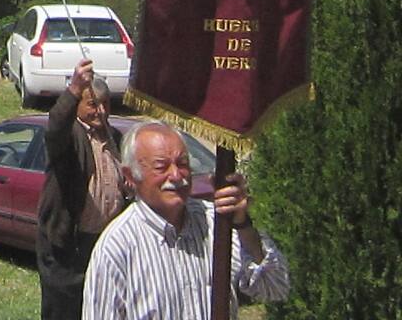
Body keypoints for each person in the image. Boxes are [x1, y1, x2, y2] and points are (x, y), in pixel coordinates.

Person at [82, 121, 291, 318]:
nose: (176, 175)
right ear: (130, 176)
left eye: (182, 164)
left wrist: (243, 224)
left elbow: (274, 287)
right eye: (161, 167)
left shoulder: (215, 224)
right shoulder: (117, 248)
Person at [37, 59, 125, 319]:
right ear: (77, 106)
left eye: (105, 104)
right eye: (93, 104)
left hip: (105, 242)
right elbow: (55, 127)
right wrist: (74, 88)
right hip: (69, 246)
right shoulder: (70, 136)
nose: (101, 111)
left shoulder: (115, 138)